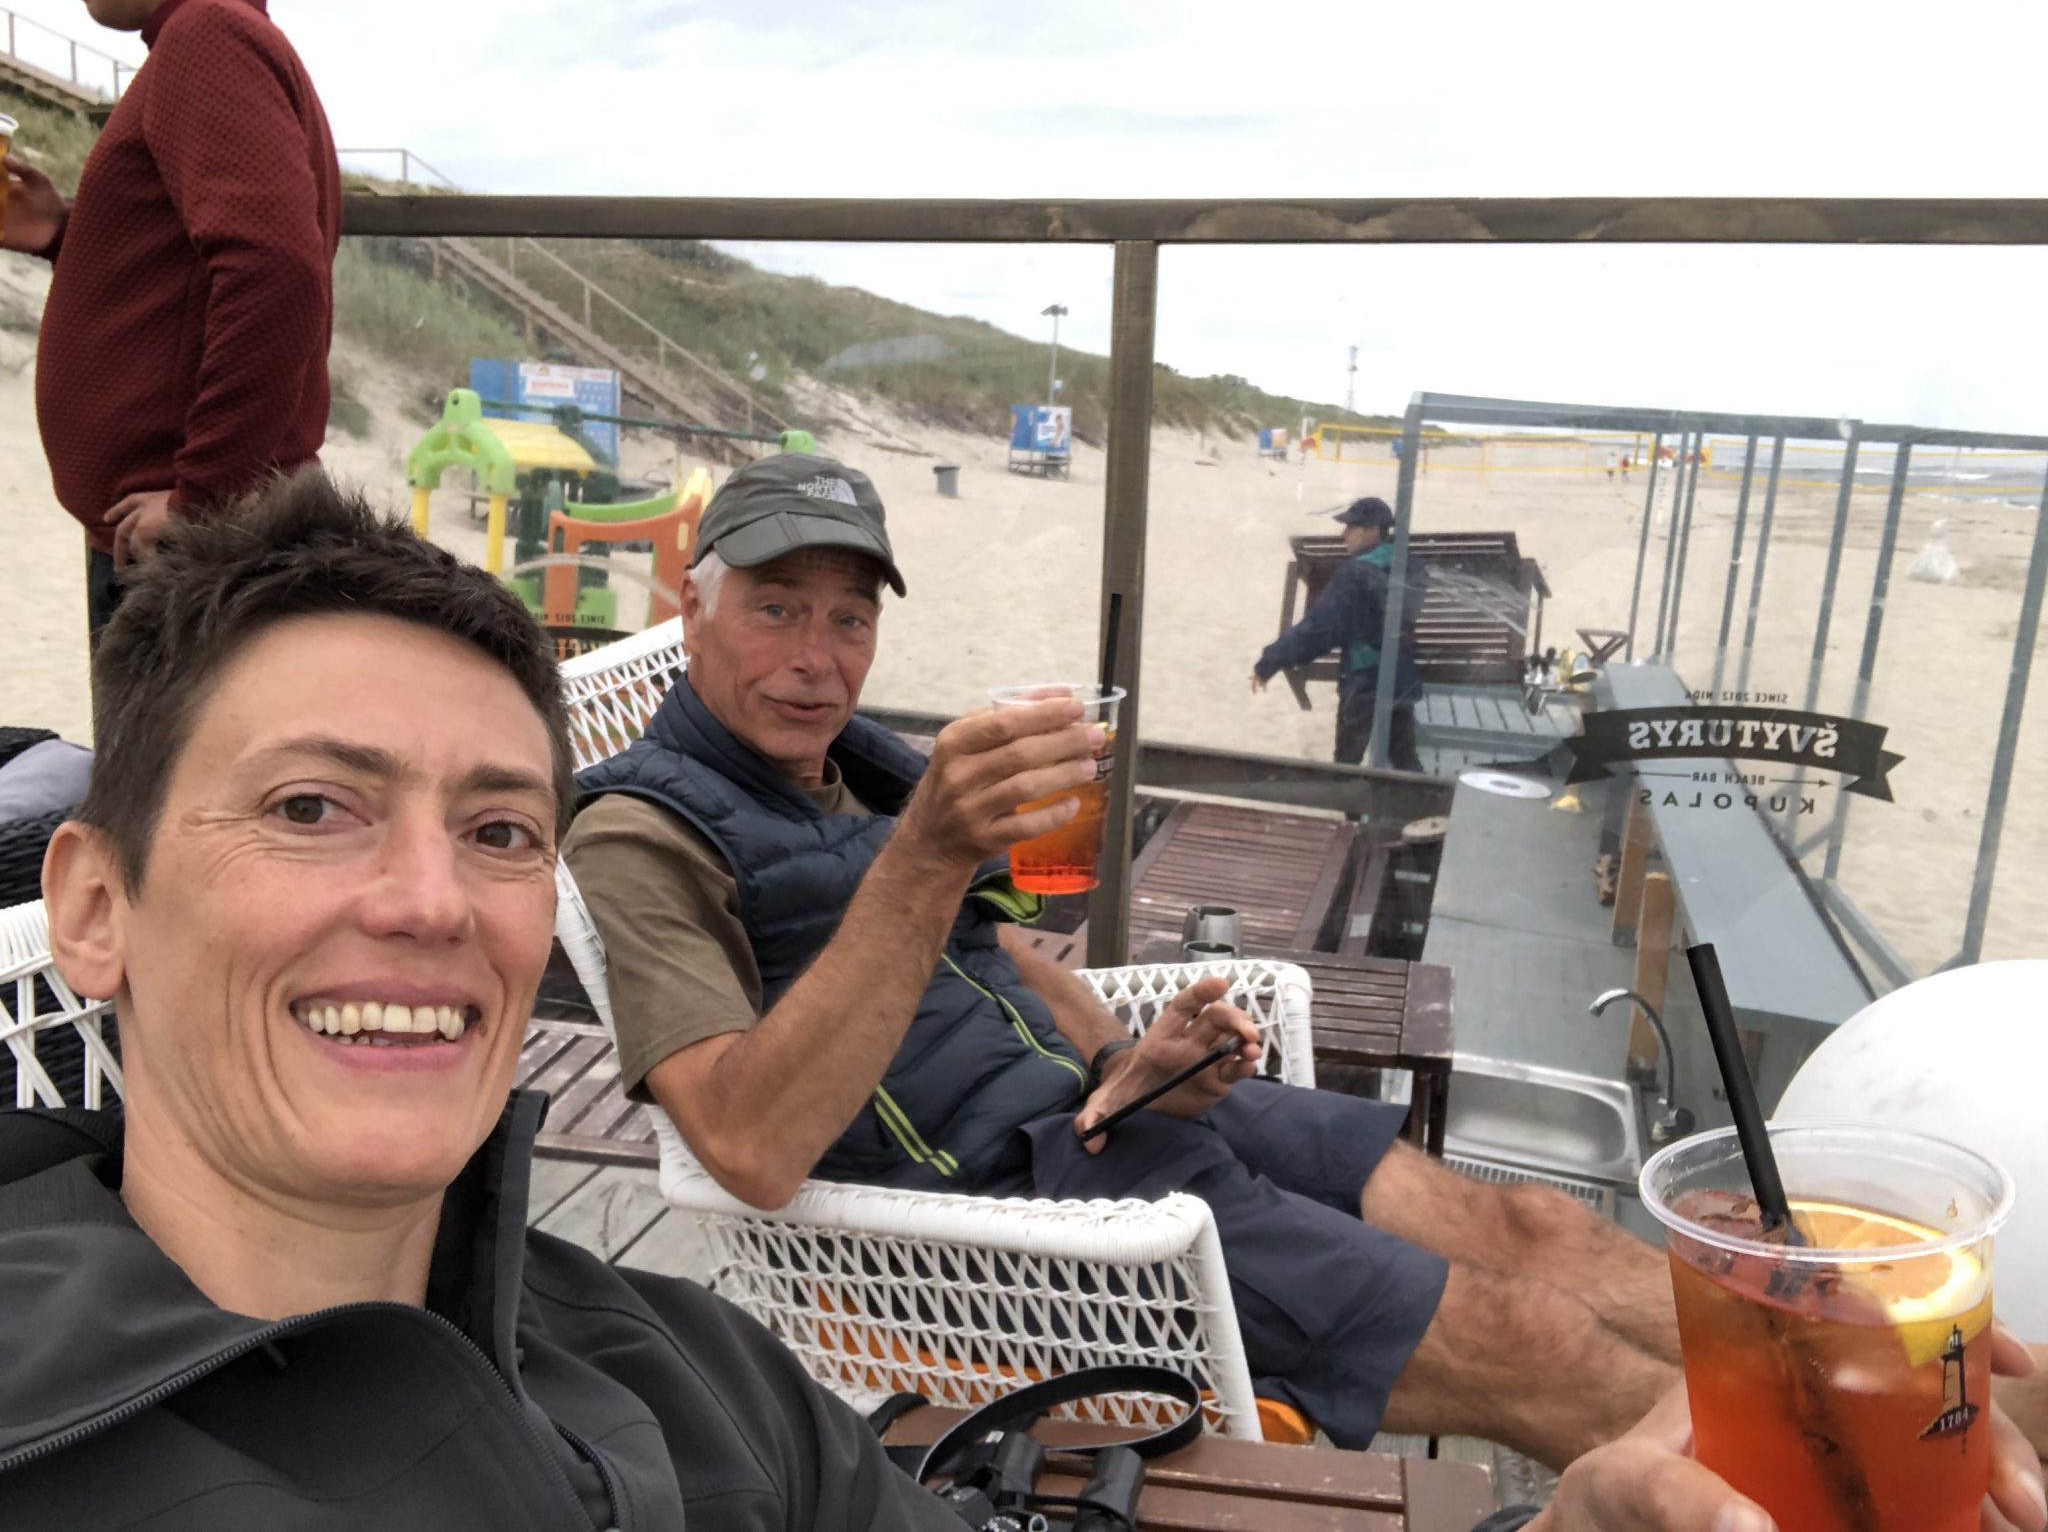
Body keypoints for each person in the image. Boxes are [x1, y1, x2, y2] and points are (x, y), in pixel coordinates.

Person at [567, 455, 1679, 1469]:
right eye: (775, 610)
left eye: (850, 620)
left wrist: (1123, 1055)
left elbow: (987, 949)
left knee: (1537, 1230)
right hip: (1024, 1225)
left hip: (1106, 1116)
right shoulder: (639, 836)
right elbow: (746, 1149)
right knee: (1535, 1343)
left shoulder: (845, 763)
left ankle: (1817, 1365)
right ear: (692, 611)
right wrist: (928, 851)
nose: (817, 660)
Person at [5, 473, 966, 1528]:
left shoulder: (712, 1384)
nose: (432, 903)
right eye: (313, 806)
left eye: (498, 831)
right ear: (96, 908)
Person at [0, 0, 340, 646]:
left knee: (165, 752)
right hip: (184, 529)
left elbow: (276, 270)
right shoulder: (219, 35)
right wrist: (62, 235)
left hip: (185, 545)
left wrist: (204, 497)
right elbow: (198, 273)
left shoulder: (207, 34)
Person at [1251, 496, 1425, 771]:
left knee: (1346, 764)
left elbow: (1320, 629)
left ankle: (1349, 815)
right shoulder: (1411, 566)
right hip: (1401, 677)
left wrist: (1271, 660)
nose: (1343, 534)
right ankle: (1422, 809)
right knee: (1404, 759)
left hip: (1364, 681)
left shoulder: (1355, 573)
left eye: (1350, 527)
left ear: (1371, 530)